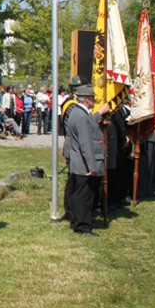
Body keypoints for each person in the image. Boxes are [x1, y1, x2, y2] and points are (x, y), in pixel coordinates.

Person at [62, 84, 109, 236]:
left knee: (78, 194)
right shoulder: (81, 116)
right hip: (84, 164)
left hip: (79, 163)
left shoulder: (77, 113)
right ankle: (82, 226)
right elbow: (86, 143)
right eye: (93, 98)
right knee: (84, 196)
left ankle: (76, 221)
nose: (94, 100)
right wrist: (92, 166)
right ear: (87, 100)